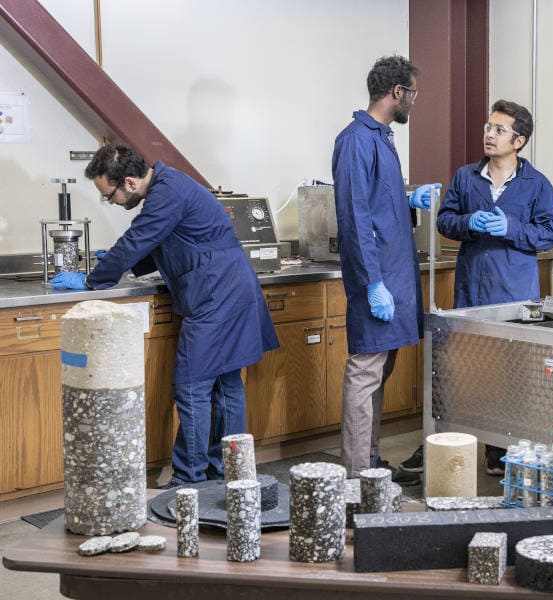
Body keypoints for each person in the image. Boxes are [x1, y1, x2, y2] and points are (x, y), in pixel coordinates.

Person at [50, 144, 278, 488]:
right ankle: (227, 473)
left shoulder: (167, 192)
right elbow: (160, 242)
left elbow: (139, 238)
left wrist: (91, 278)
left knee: (192, 386)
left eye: (108, 195)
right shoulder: (169, 185)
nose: (110, 202)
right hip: (229, 287)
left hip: (216, 293)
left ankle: (189, 480)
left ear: (128, 182)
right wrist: (119, 261)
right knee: (225, 386)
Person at [399, 100, 553, 476]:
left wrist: (512, 230)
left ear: (519, 140)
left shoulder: (536, 184)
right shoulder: (465, 177)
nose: (489, 134)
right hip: (471, 291)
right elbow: (446, 222)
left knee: (511, 375)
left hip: (515, 295)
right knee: (458, 374)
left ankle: (500, 452)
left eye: (499, 129)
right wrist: (471, 221)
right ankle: (439, 446)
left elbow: (551, 232)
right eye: (488, 127)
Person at [332, 55, 440, 484]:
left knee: (379, 373)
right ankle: (358, 476)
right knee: (365, 372)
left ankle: (370, 462)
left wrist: (406, 200)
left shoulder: (382, 138)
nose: (414, 101)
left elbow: (377, 204)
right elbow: (355, 216)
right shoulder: (357, 140)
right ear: (398, 93)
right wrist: (372, 283)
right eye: (413, 93)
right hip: (377, 278)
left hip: (396, 276)